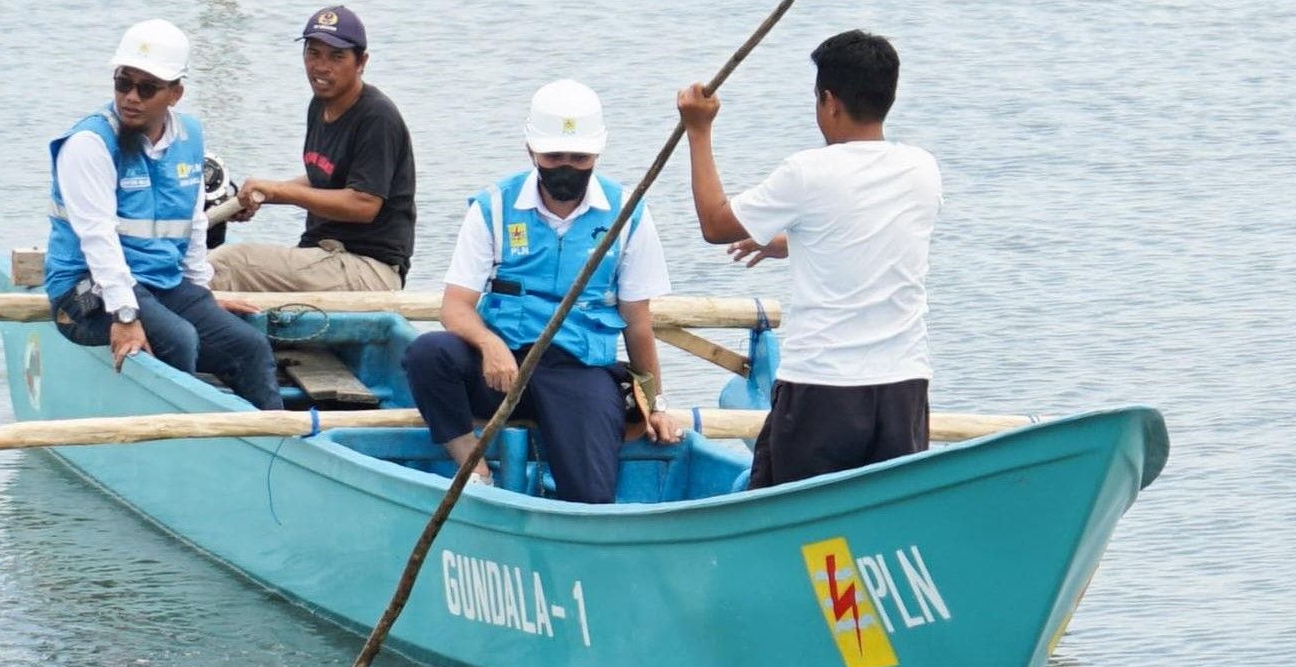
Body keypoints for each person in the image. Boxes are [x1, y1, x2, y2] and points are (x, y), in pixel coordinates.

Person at [395, 82, 687, 506]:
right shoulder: (494, 207)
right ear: (531, 151)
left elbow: (638, 322)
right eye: (554, 157)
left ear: (597, 154)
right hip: (503, 367)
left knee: (590, 495)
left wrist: (656, 403)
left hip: (578, 371)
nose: (566, 167)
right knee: (428, 355)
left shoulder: (628, 213)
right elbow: (455, 307)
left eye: (579, 158)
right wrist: (489, 344)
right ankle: (472, 469)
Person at [676, 29, 940, 488]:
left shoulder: (808, 173)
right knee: (884, 516)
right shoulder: (922, 169)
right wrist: (789, 241)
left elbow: (715, 225)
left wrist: (698, 131)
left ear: (830, 102)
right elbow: (866, 234)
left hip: (823, 391)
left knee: (791, 519)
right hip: (903, 389)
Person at [41, 20, 280, 410]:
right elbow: (97, 238)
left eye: (147, 87)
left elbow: (194, 222)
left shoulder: (189, 137)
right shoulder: (89, 144)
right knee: (179, 339)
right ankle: (180, 440)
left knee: (250, 347)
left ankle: (276, 443)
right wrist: (124, 313)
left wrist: (201, 295)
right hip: (85, 292)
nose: (131, 97)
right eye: (123, 83)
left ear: (175, 94)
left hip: (160, 285)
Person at [210, 5, 416, 296]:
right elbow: (324, 178)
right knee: (209, 257)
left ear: (361, 62)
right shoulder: (320, 105)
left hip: (368, 269)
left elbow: (363, 205)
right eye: (313, 53)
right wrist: (257, 196)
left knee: (224, 264)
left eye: (337, 56)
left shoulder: (377, 117)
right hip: (324, 257)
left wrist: (276, 191)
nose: (321, 66)